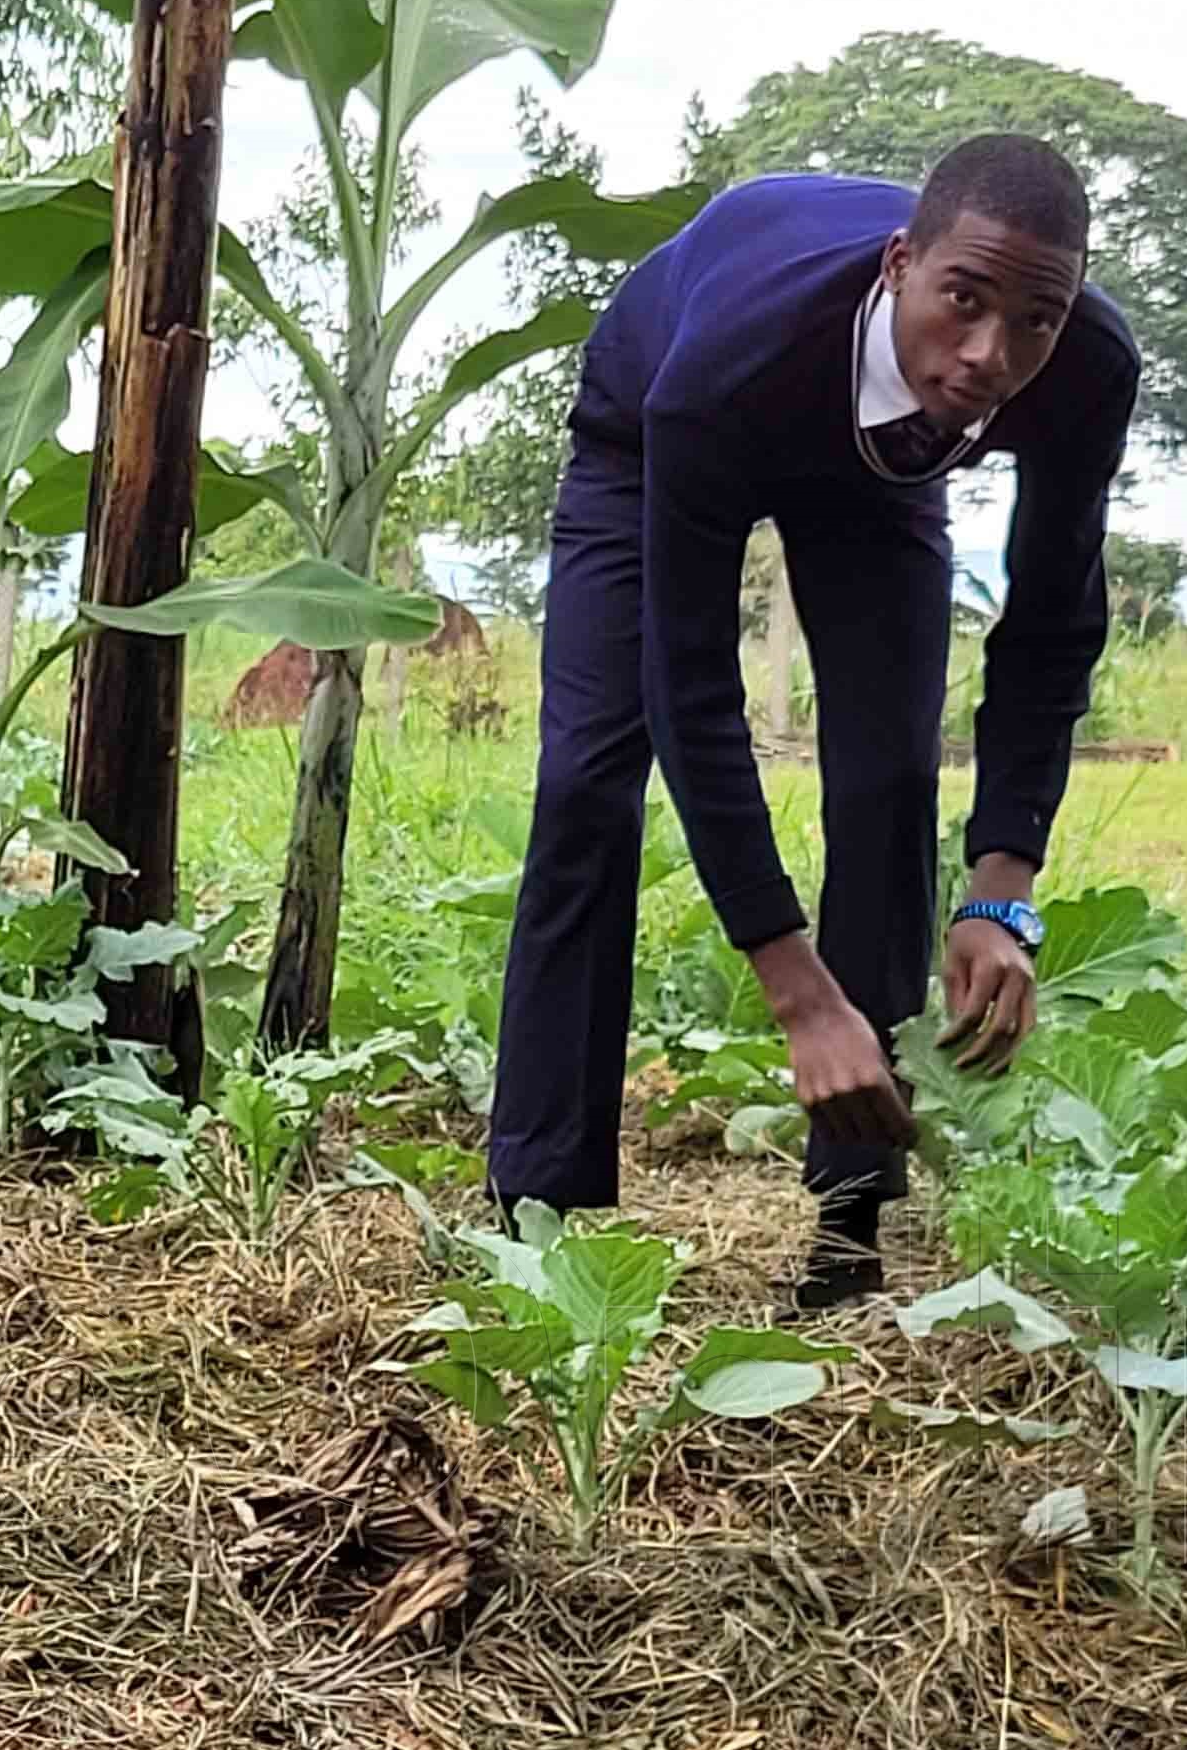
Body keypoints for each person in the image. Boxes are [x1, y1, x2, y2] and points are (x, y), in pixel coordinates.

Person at [485, 133, 1140, 1304]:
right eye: (964, 302)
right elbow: (691, 685)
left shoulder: (1087, 366)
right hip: (651, 426)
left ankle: (850, 1227)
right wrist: (797, 993)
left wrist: (1003, 886)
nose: (991, 355)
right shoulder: (727, 358)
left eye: (1035, 319)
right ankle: (543, 1207)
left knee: (887, 784)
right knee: (589, 782)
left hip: (883, 474)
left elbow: (1048, 629)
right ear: (900, 265)